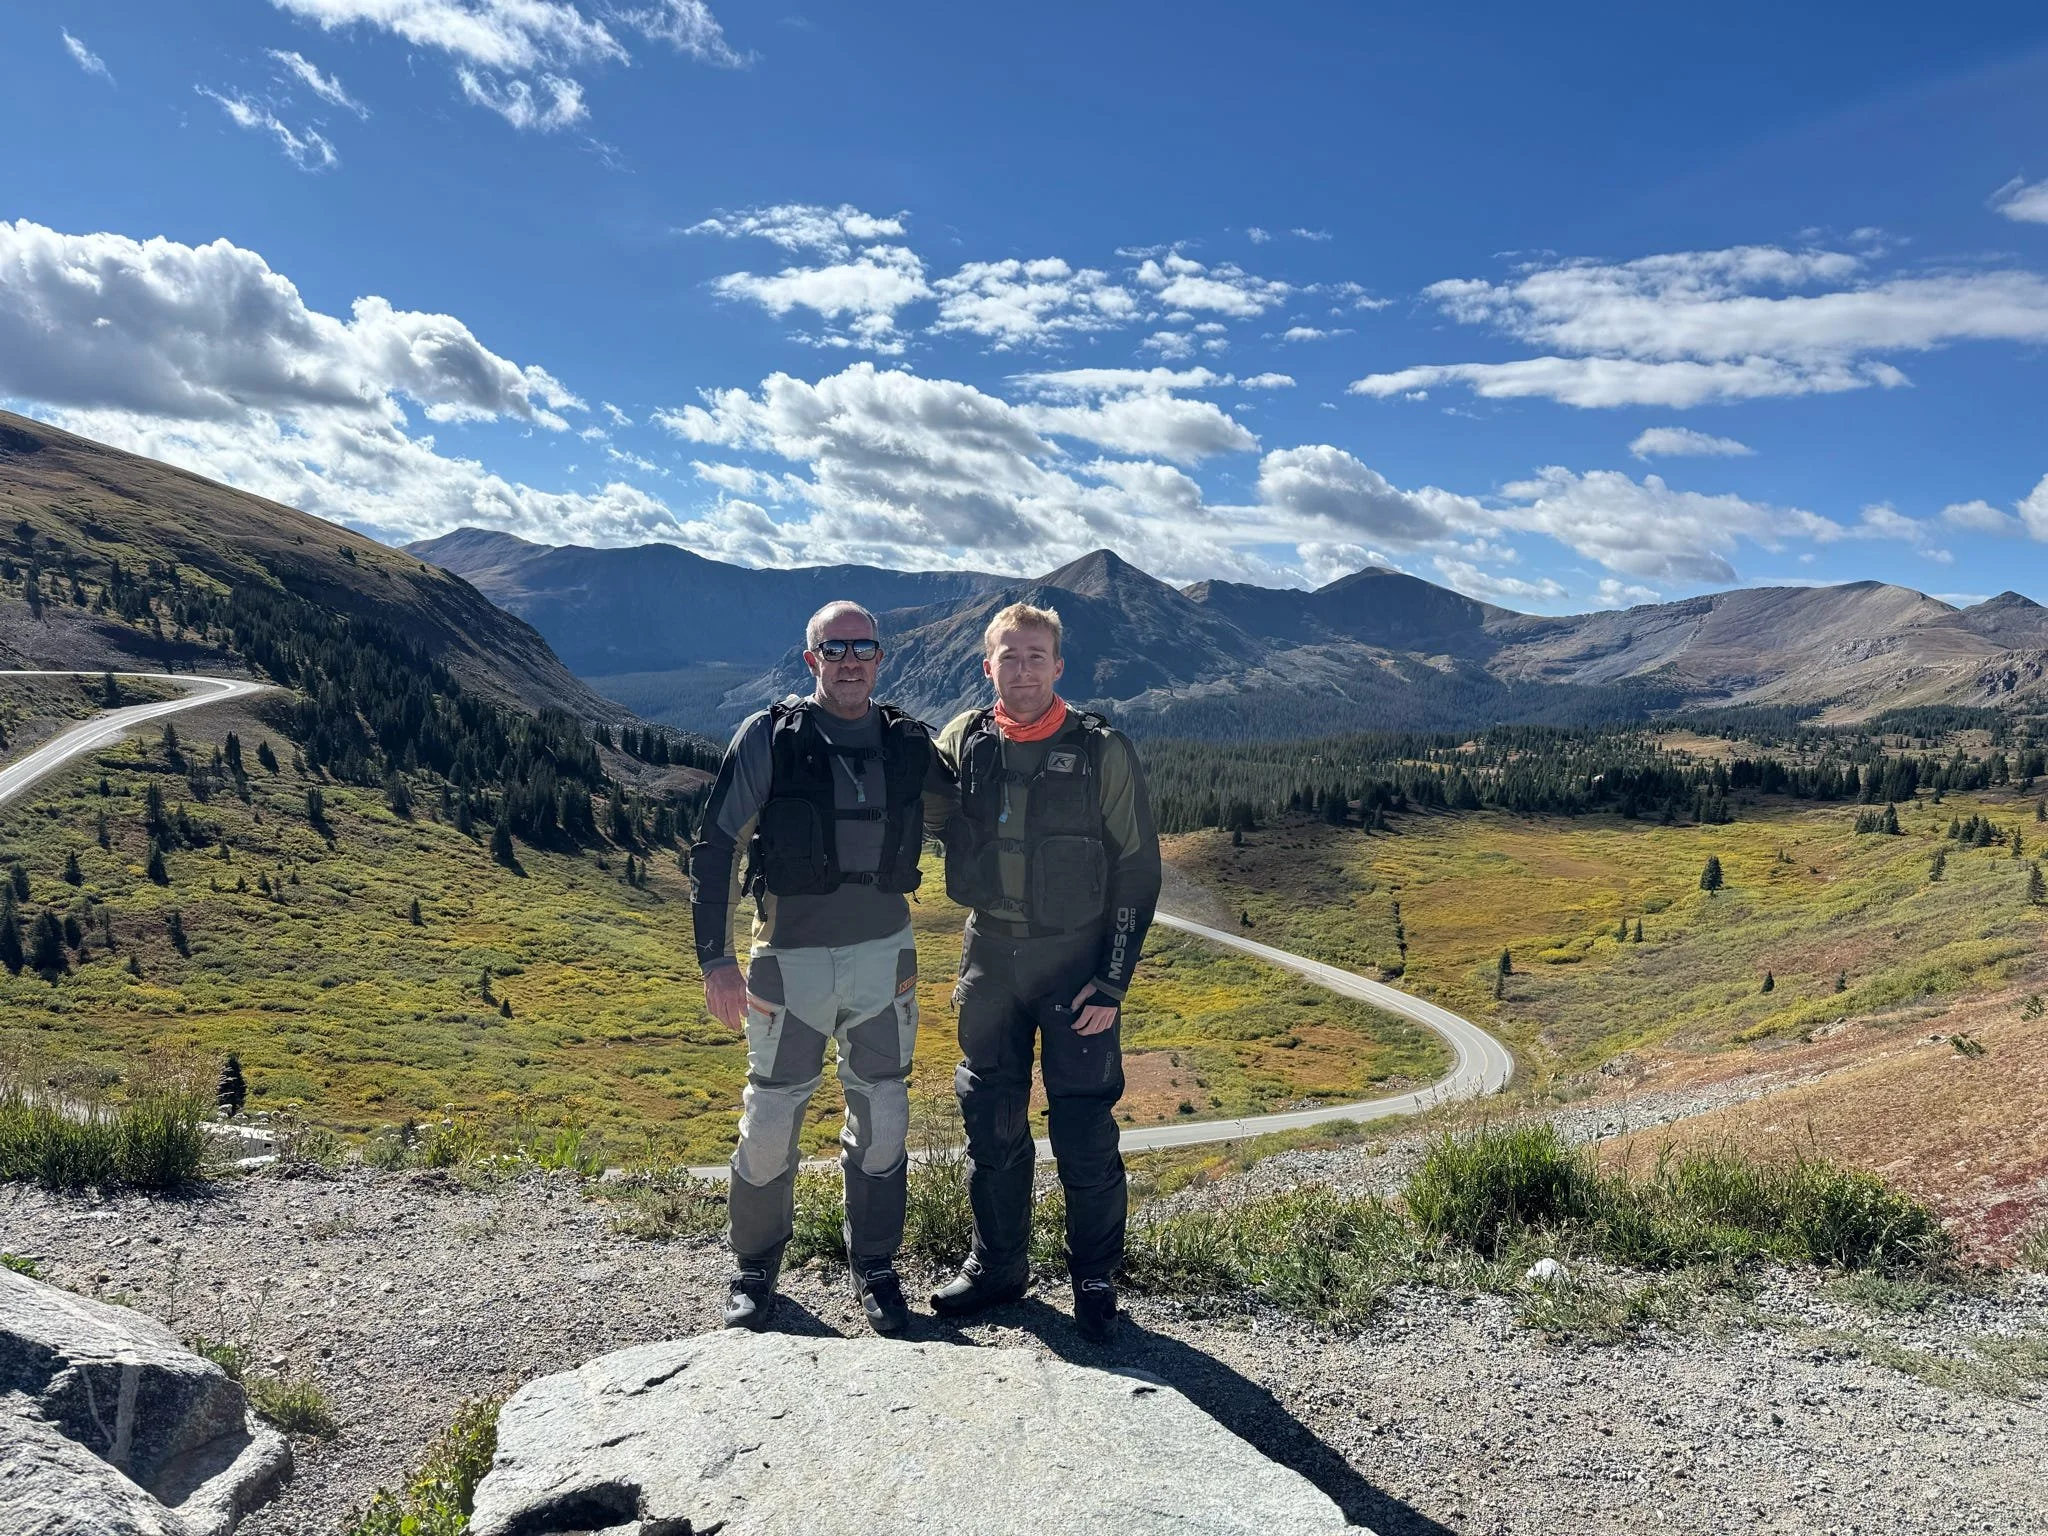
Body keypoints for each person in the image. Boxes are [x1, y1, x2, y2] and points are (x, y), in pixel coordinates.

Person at [690, 601, 936, 1336]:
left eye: (863, 646)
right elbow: (714, 845)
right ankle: (755, 1268)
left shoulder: (906, 743)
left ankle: (878, 1267)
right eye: (835, 649)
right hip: (785, 966)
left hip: (884, 960)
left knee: (885, 1118)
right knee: (769, 1119)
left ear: (881, 657)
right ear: (811, 660)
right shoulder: (770, 737)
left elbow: (978, 809)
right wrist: (716, 961)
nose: (851, 659)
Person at [929, 602, 1161, 1343]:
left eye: (1036, 656)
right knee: (991, 1123)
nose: (1022, 669)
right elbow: (914, 808)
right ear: (986, 664)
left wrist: (1114, 979)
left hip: (1075, 960)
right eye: (1009, 655)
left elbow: (1136, 867)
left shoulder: (1102, 749)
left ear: (1058, 666)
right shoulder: (962, 739)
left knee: (1084, 1130)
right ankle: (998, 1268)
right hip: (990, 956)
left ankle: (1094, 1280)